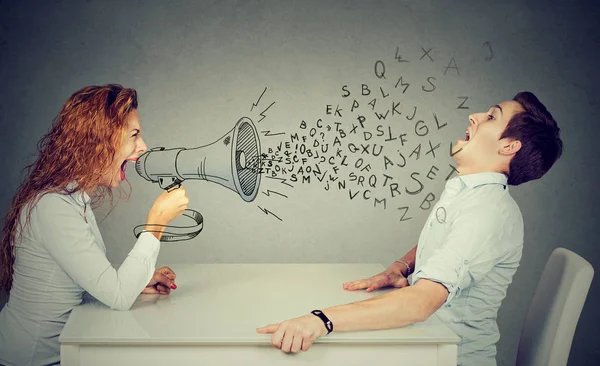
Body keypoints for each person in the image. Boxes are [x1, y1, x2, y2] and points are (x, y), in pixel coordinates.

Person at [257, 91, 563, 366]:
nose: (475, 116)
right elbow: (450, 243)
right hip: (424, 345)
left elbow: (420, 303)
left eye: (491, 116)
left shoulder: (487, 213)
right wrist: (402, 266)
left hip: (447, 357)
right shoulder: (471, 192)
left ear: (509, 145)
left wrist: (319, 320)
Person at [0, 84, 189, 365]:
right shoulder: (52, 207)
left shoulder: (74, 200)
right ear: (98, 139)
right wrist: (156, 223)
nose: (143, 147)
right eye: (134, 134)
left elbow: (84, 283)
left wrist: (136, 281)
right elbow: (118, 296)